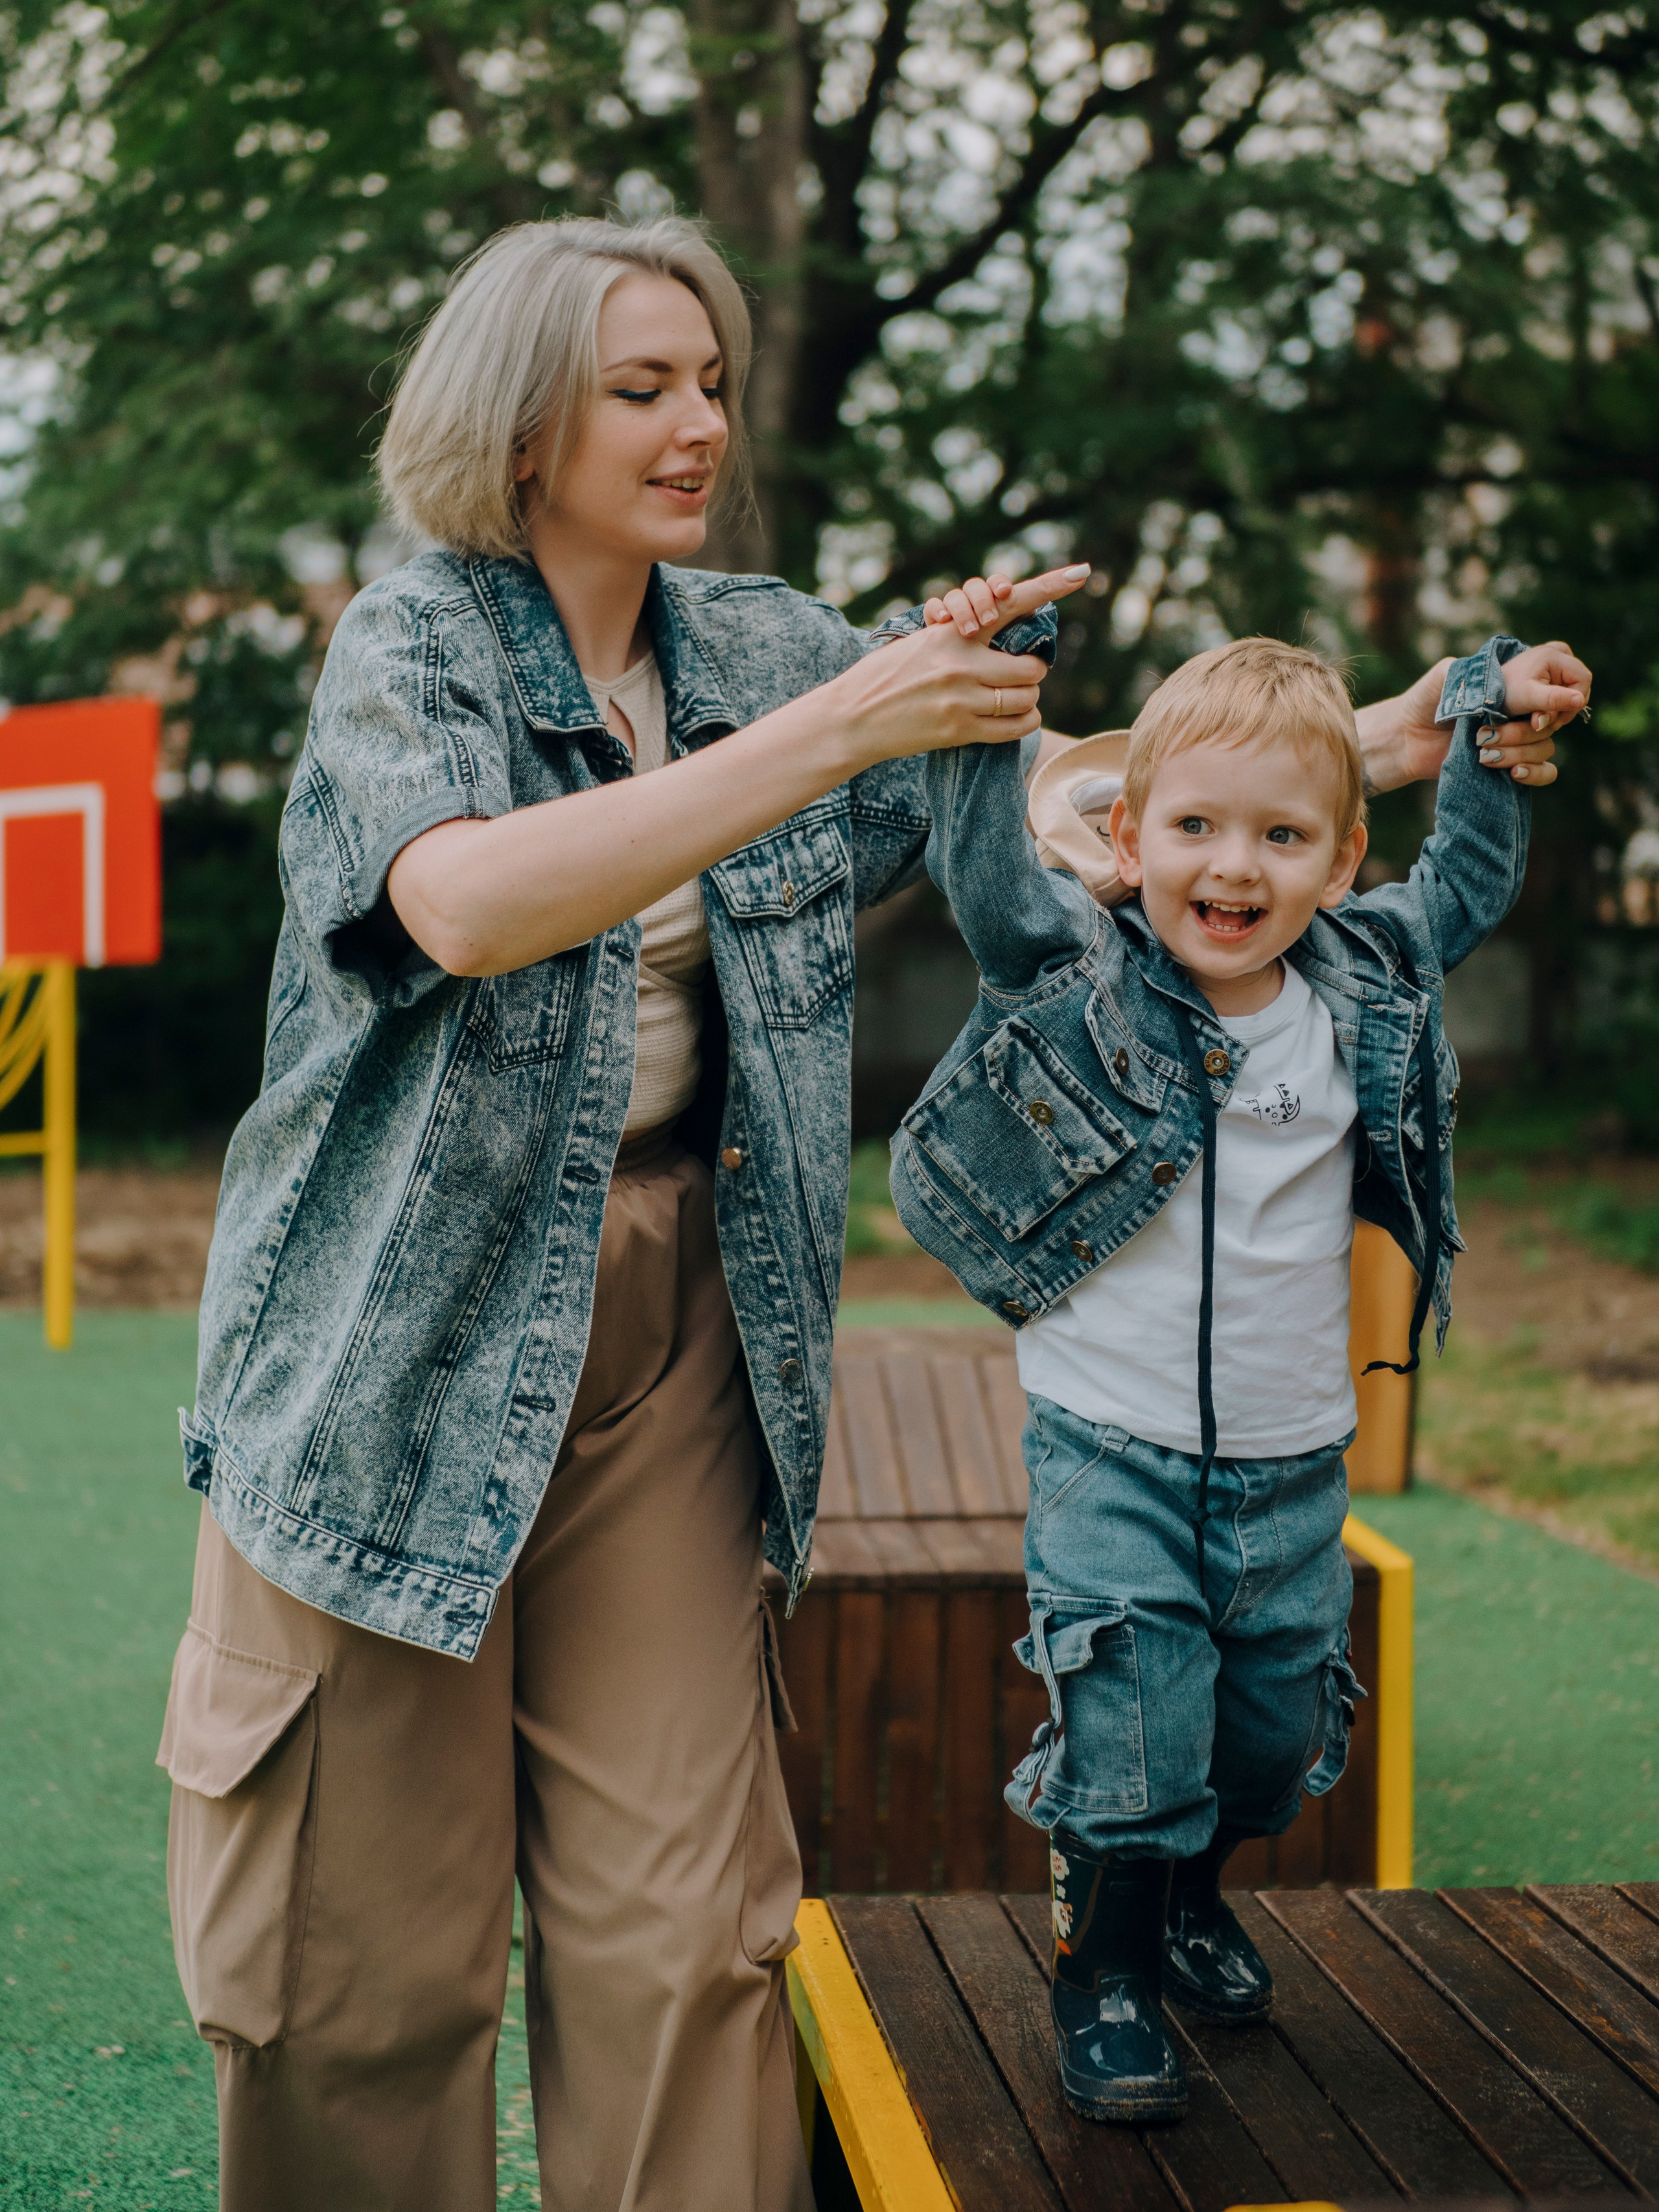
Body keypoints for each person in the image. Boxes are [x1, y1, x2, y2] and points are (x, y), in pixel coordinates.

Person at [154, 207, 1577, 2210]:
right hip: (403, 1345)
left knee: (689, 1938)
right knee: (359, 1976)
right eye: (642, 385)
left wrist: (1381, 743)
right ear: (519, 418)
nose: (697, 423)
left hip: (687, 1339)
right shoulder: (414, 644)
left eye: (712, 382)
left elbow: (1079, 787)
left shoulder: (753, 640)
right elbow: (464, 901)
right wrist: (859, 713)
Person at [885, 623, 1588, 2125]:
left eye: (1279, 837)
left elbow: (1460, 881)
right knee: (1136, 1731)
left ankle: (1191, 1894)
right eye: (1193, 827)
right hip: (1109, 1445)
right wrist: (969, 707)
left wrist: (1481, 719)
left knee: (1265, 1748)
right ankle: (1109, 1968)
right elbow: (988, 883)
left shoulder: (1359, 983)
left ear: (1337, 864)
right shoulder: (1080, 974)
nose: (1232, 868)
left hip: (1289, 1459)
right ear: (1125, 840)